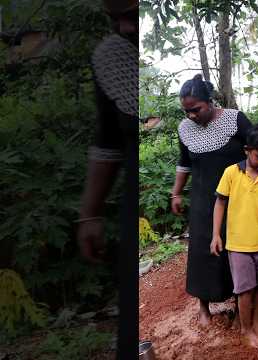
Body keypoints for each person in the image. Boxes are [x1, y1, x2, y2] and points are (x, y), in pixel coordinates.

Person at [171, 74, 258, 326]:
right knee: (203, 252)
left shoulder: (234, 120)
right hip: (204, 200)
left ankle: (240, 308)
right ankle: (204, 307)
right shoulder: (185, 129)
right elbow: (184, 163)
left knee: (238, 251)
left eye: (196, 109)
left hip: (240, 199)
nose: (191, 115)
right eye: (186, 111)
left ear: (210, 102)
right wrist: (176, 193)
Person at [76, 1, 138, 359]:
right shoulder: (110, 56)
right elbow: (108, 141)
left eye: (132, 16)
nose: (125, 28)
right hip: (131, 206)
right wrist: (90, 213)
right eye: (115, 19)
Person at [210, 123, 258, 349]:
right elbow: (220, 204)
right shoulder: (231, 173)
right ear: (247, 150)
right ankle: (245, 330)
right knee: (245, 290)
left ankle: (257, 327)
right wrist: (216, 234)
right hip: (238, 246)